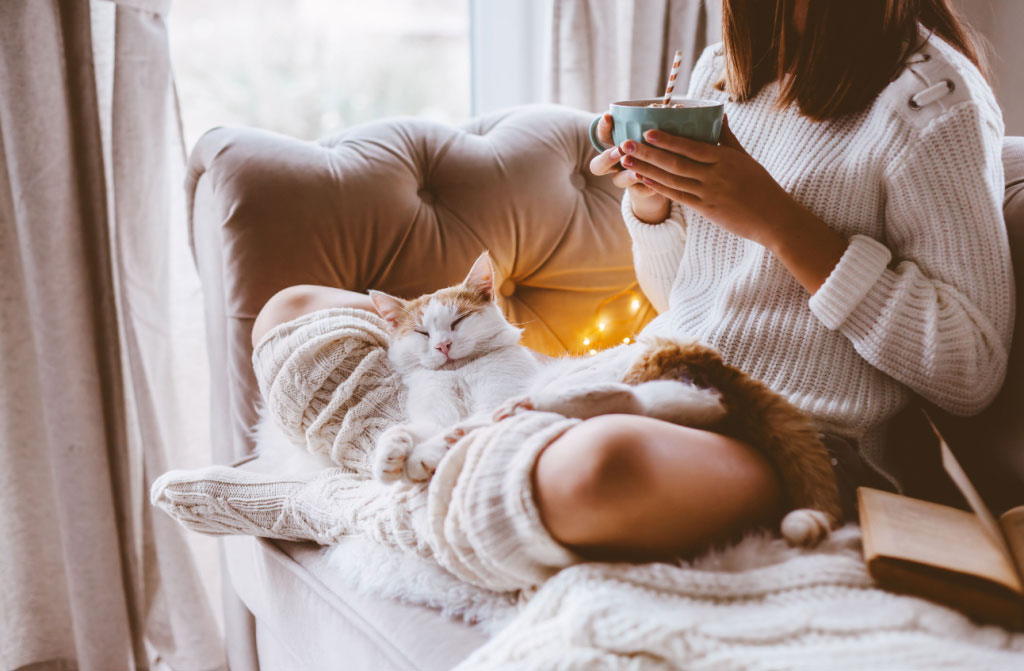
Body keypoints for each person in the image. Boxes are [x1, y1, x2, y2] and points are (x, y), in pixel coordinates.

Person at [252, 0, 1013, 561]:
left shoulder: (930, 101)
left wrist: (780, 222)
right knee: (293, 310)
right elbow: (688, 294)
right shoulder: (730, 69)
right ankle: (436, 465)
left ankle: (370, 487)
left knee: (600, 474)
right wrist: (654, 205)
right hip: (648, 377)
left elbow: (969, 369)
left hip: (797, 437)